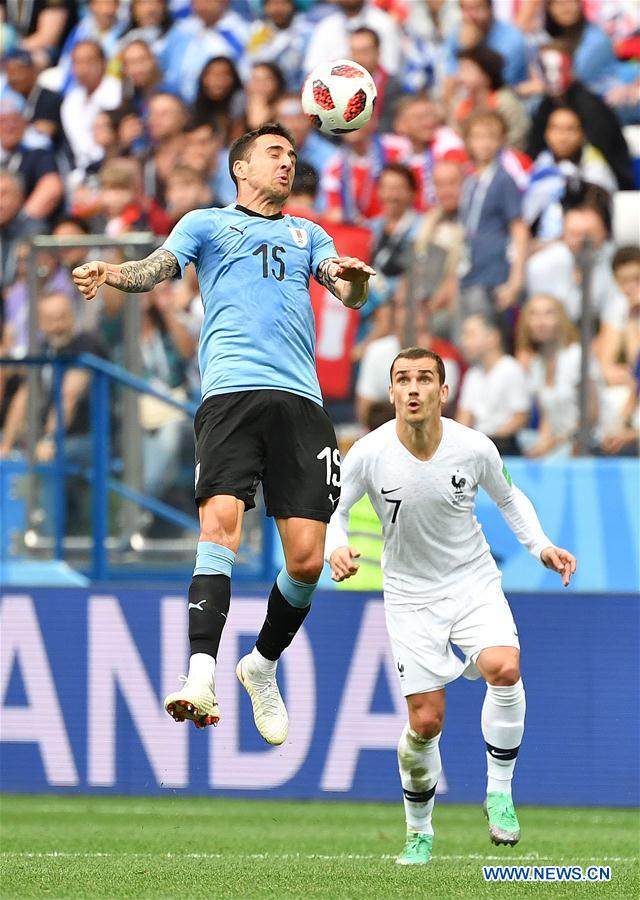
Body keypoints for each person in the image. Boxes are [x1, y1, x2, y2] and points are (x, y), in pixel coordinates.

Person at [72, 122, 375, 744]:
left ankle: (260, 666)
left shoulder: (308, 232)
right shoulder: (206, 223)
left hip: (301, 403)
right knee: (220, 528)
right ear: (241, 168)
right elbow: (156, 270)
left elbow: (346, 293)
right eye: (274, 154)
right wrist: (110, 270)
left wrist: (358, 278)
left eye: (291, 156)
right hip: (231, 395)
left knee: (308, 561)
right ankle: (200, 675)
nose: (287, 164)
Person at [326, 346, 576, 865]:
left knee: (504, 667)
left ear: (444, 392)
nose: (412, 389)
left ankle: (500, 792)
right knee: (426, 722)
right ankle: (419, 831)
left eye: (423, 380)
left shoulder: (473, 447)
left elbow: (508, 497)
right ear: (391, 391)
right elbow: (338, 512)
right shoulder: (368, 453)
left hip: (471, 580)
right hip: (410, 595)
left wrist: (541, 546)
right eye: (402, 380)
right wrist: (336, 547)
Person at [457, 312, 530, 456]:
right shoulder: (473, 374)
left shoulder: (511, 369)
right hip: (478, 445)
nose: (464, 341)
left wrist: (489, 441)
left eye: (470, 334)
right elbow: (464, 417)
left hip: (503, 446)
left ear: (492, 338)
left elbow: (520, 417)